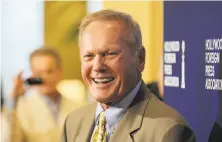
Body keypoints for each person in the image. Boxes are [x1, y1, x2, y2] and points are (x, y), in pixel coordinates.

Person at [62, 9, 196, 142]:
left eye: (110, 54)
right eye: (89, 56)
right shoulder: (73, 123)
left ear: (140, 58)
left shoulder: (168, 131)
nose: (97, 66)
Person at [11, 47, 81, 142]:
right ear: (32, 75)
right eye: (38, 73)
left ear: (60, 72)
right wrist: (13, 100)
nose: (45, 78)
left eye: (49, 71)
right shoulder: (20, 108)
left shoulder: (78, 107)